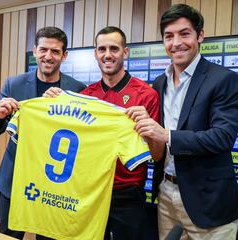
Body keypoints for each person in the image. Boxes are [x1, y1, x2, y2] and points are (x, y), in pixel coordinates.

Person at [127, 4, 238, 239]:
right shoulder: (159, 83)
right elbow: (158, 150)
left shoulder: (224, 79)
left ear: (200, 36)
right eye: (169, 36)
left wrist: (167, 135)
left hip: (208, 201)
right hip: (166, 196)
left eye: (184, 33)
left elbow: (223, 137)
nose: (176, 43)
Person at [44, 26, 164, 240]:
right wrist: (51, 100)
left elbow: (157, 156)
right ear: (95, 53)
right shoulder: (85, 95)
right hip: (90, 191)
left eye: (114, 49)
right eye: (102, 49)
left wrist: (147, 127)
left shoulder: (147, 95)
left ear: (125, 53)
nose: (107, 55)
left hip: (128, 192)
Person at [0, 27, 86, 239]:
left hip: (54, 185)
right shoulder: (14, 84)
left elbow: (82, 137)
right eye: (43, 50)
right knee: (8, 236)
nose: (48, 56)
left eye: (55, 51)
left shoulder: (77, 89)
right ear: (34, 51)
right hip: (14, 178)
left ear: (64, 55)